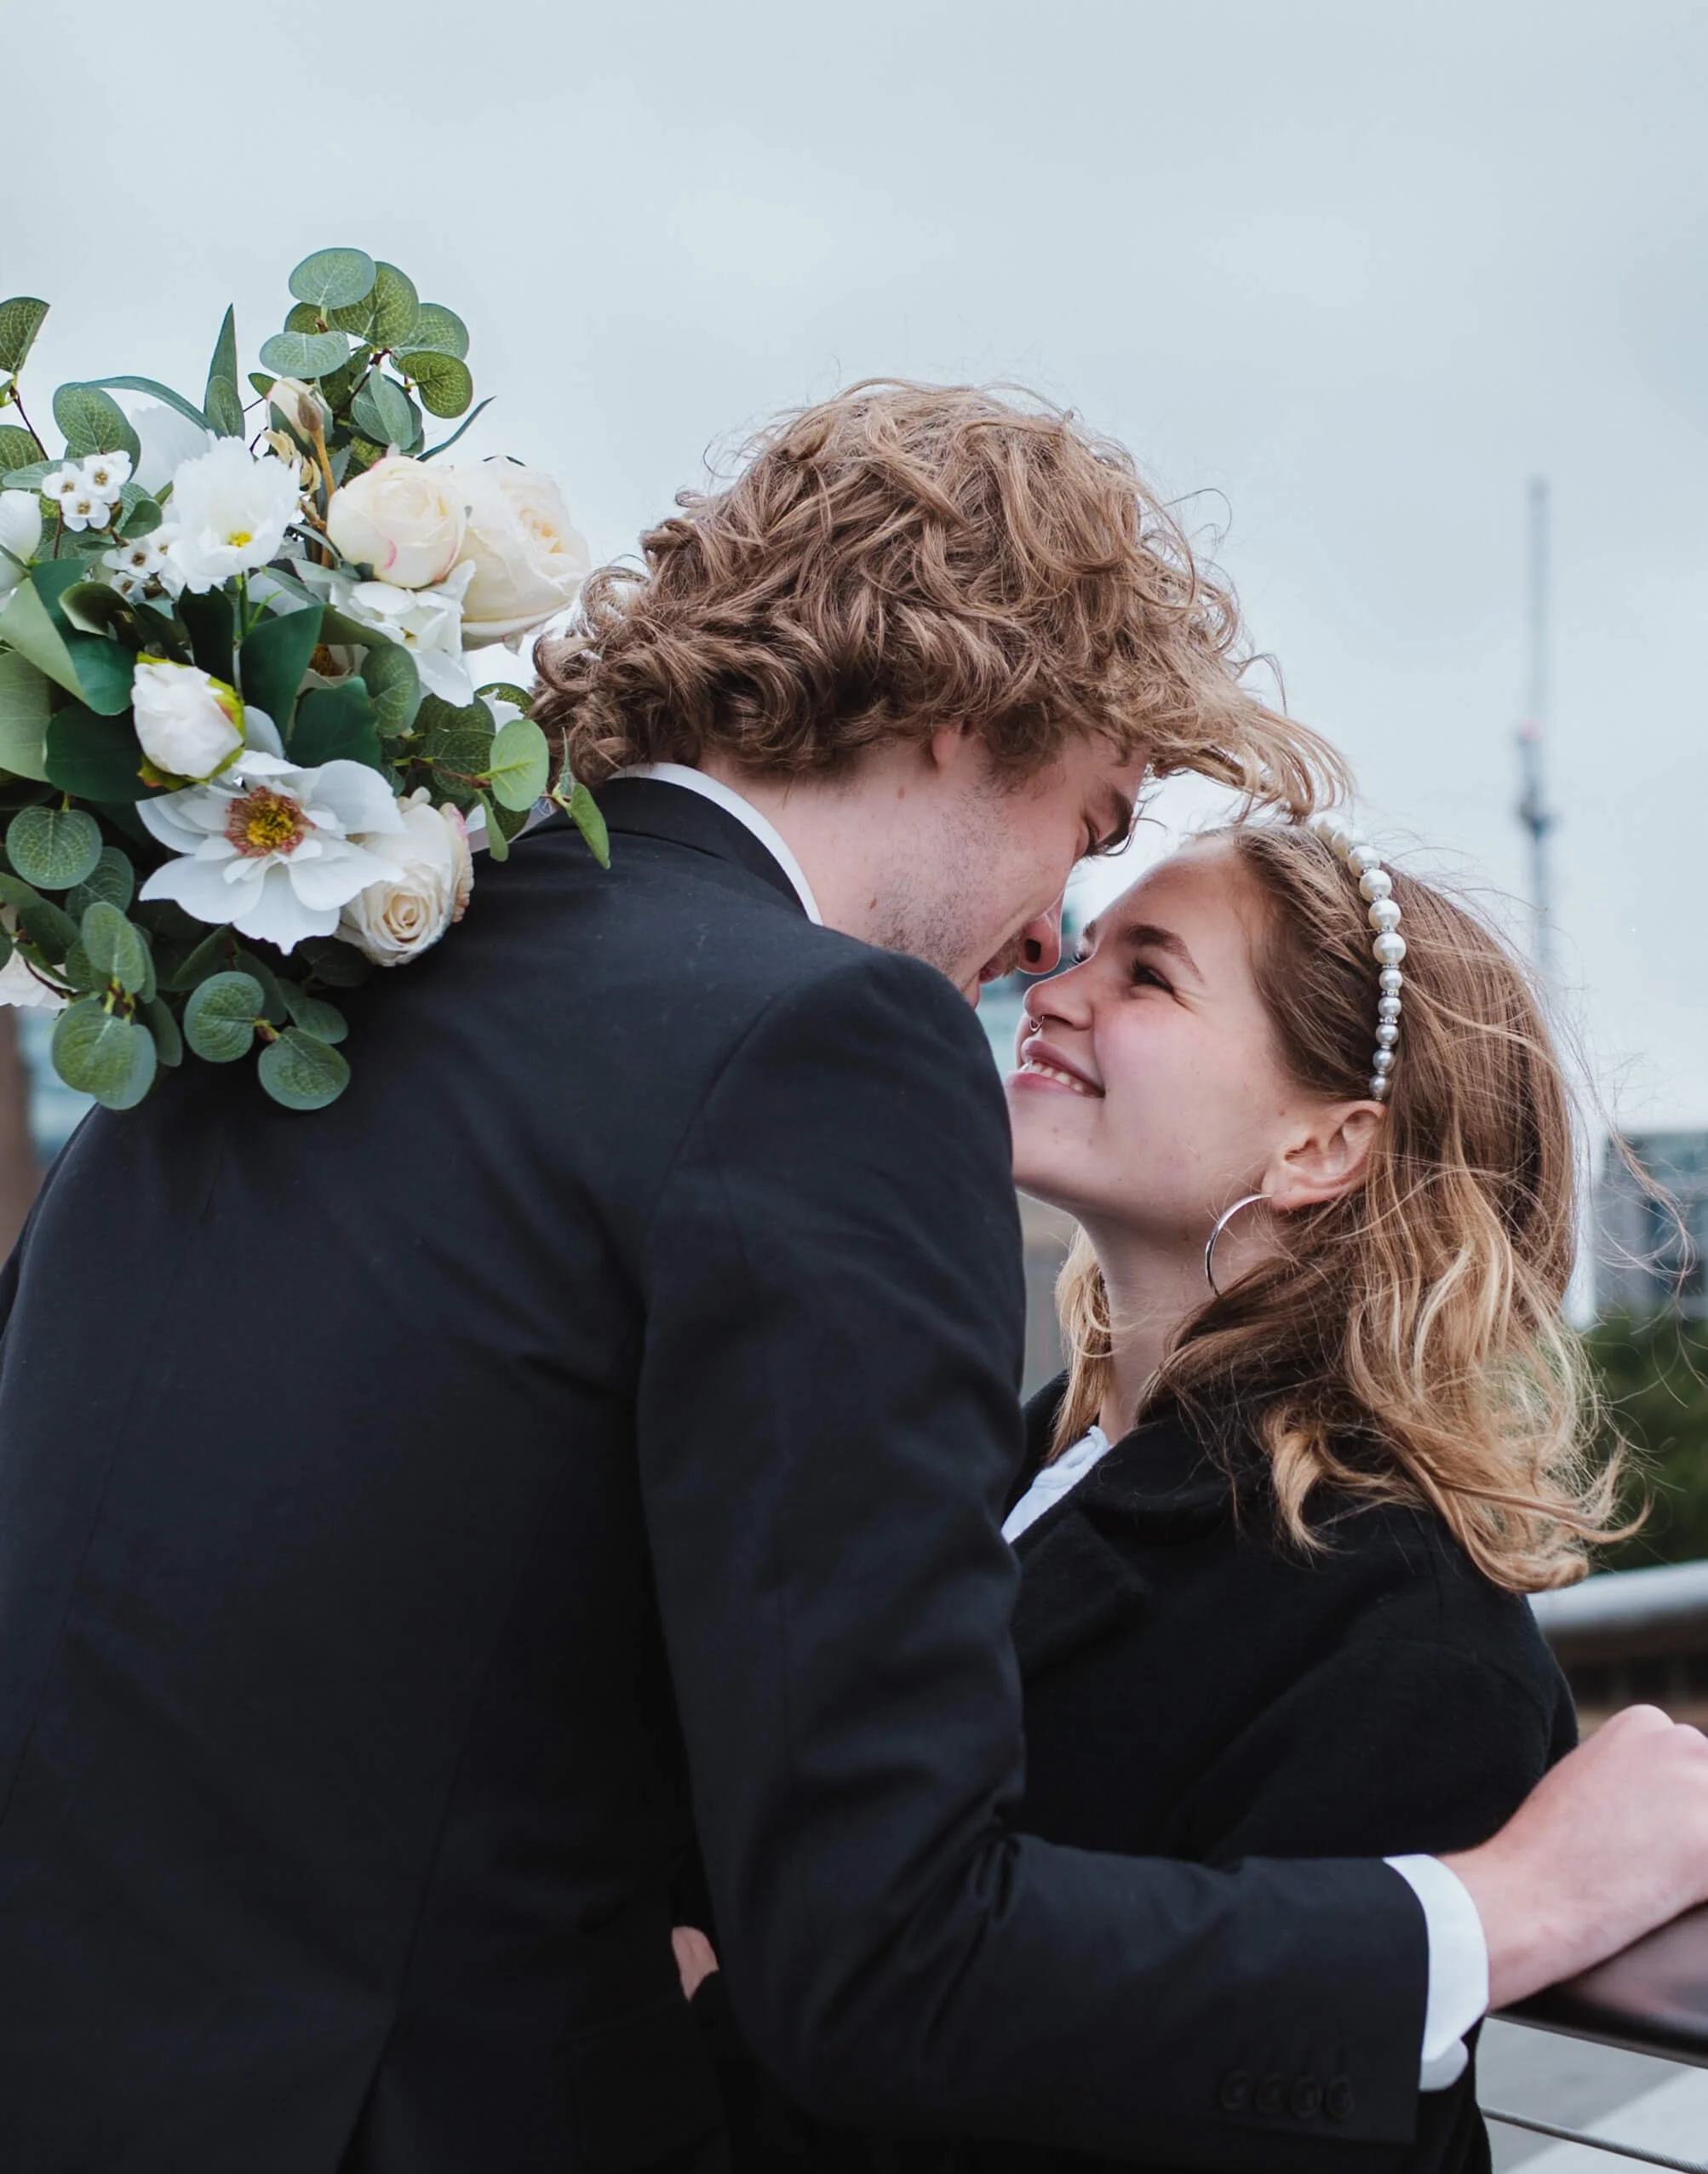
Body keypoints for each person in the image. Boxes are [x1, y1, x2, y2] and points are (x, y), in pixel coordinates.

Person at [0, 385, 1705, 2174]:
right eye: (1093, 819)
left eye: (1148, 959)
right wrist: (1492, 1913)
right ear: (980, 712)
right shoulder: (811, 1045)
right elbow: (889, 1956)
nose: (1045, 937)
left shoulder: (276, 974)